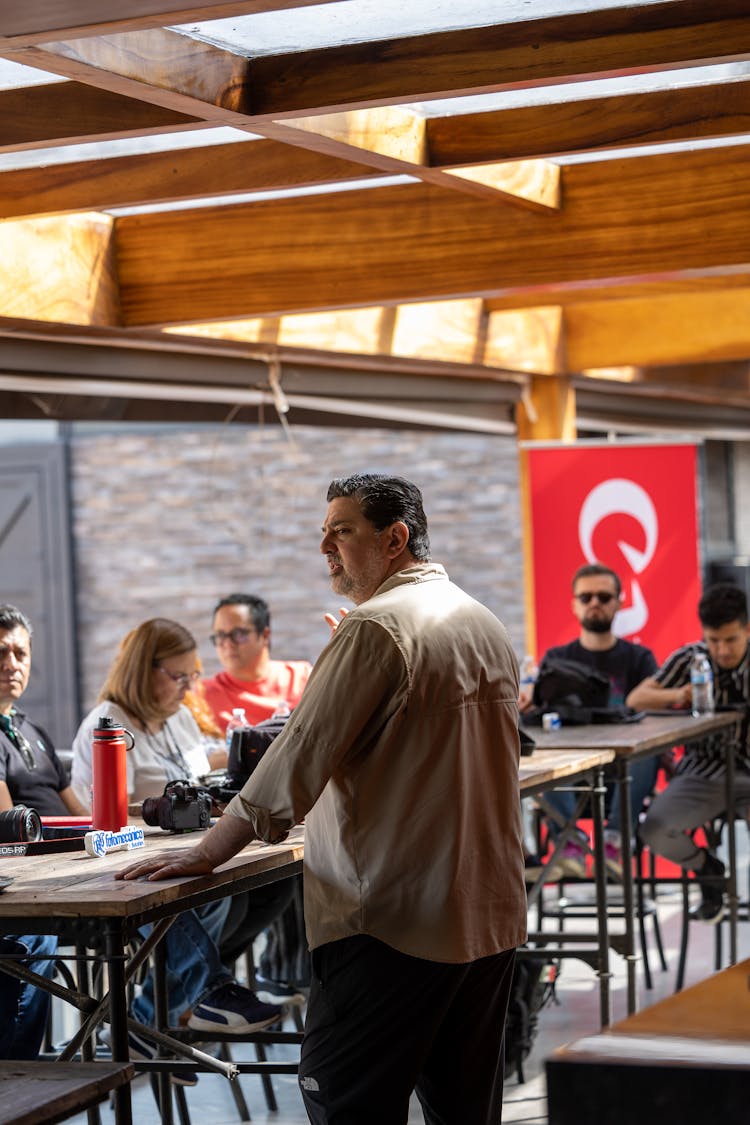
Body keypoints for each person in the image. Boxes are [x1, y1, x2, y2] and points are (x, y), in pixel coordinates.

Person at [118, 472, 526, 1125]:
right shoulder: (481, 620)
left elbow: (295, 759)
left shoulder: (375, 628)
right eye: (324, 530)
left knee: (345, 1101)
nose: (324, 547)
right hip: (488, 914)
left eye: (341, 530)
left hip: (393, 920)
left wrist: (206, 853)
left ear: (395, 538)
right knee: (465, 1111)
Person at [70, 618, 282, 1081]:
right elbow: (104, 810)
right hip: (125, 859)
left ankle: (149, 1018)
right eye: (178, 676)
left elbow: (201, 776)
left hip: (184, 847)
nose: (188, 686)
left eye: (192, 675)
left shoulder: (179, 717)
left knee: (263, 889)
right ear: (142, 670)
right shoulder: (108, 722)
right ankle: (203, 992)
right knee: (207, 888)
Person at [520, 564, 658, 879]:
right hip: (571, 780)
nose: (594, 603)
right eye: (586, 596)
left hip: (624, 778)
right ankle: (570, 844)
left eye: (603, 596)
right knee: (543, 749)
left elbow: (653, 720)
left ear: (619, 602)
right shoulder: (556, 659)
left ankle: (614, 842)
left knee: (647, 749)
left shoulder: (640, 659)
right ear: (574, 603)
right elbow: (535, 711)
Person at [630, 582, 750, 923]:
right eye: (714, 640)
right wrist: (678, 694)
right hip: (702, 772)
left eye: (731, 640)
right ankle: (708, 870)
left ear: (747, 630)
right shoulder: (691, 658)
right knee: (654, 829)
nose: (722, 650)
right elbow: (637, 698)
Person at [0, 604, 82, 1058]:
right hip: (34, 884)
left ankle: (148, 1020)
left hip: (72, 868)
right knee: (33, 936)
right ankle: (20, 1082)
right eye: (0, 652)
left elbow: (81, 812)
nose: (12, 664)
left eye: (20, 653)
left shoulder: (32, 729)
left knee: (174, 889)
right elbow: (11, 837)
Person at [201, 593, 312, 733]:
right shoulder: (202, 695)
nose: (228, 644)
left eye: (239, 634)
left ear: (265, 635)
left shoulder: (302, 677)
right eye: (221, 636)